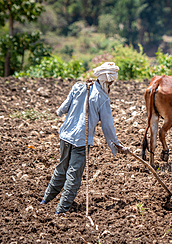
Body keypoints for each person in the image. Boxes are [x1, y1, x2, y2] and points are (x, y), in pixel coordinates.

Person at [39, 62, 129, 214]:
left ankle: (45, 199)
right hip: (81, 140)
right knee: (73, 176)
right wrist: (116, 145)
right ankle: (61, 210)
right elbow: (108, 127)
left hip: (65, 136)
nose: (112, 85)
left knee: (61, 169)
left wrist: (60, 112)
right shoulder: (102, 98)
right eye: (112, 82)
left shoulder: (78, 87)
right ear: (107, 81)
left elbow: (63, 108)